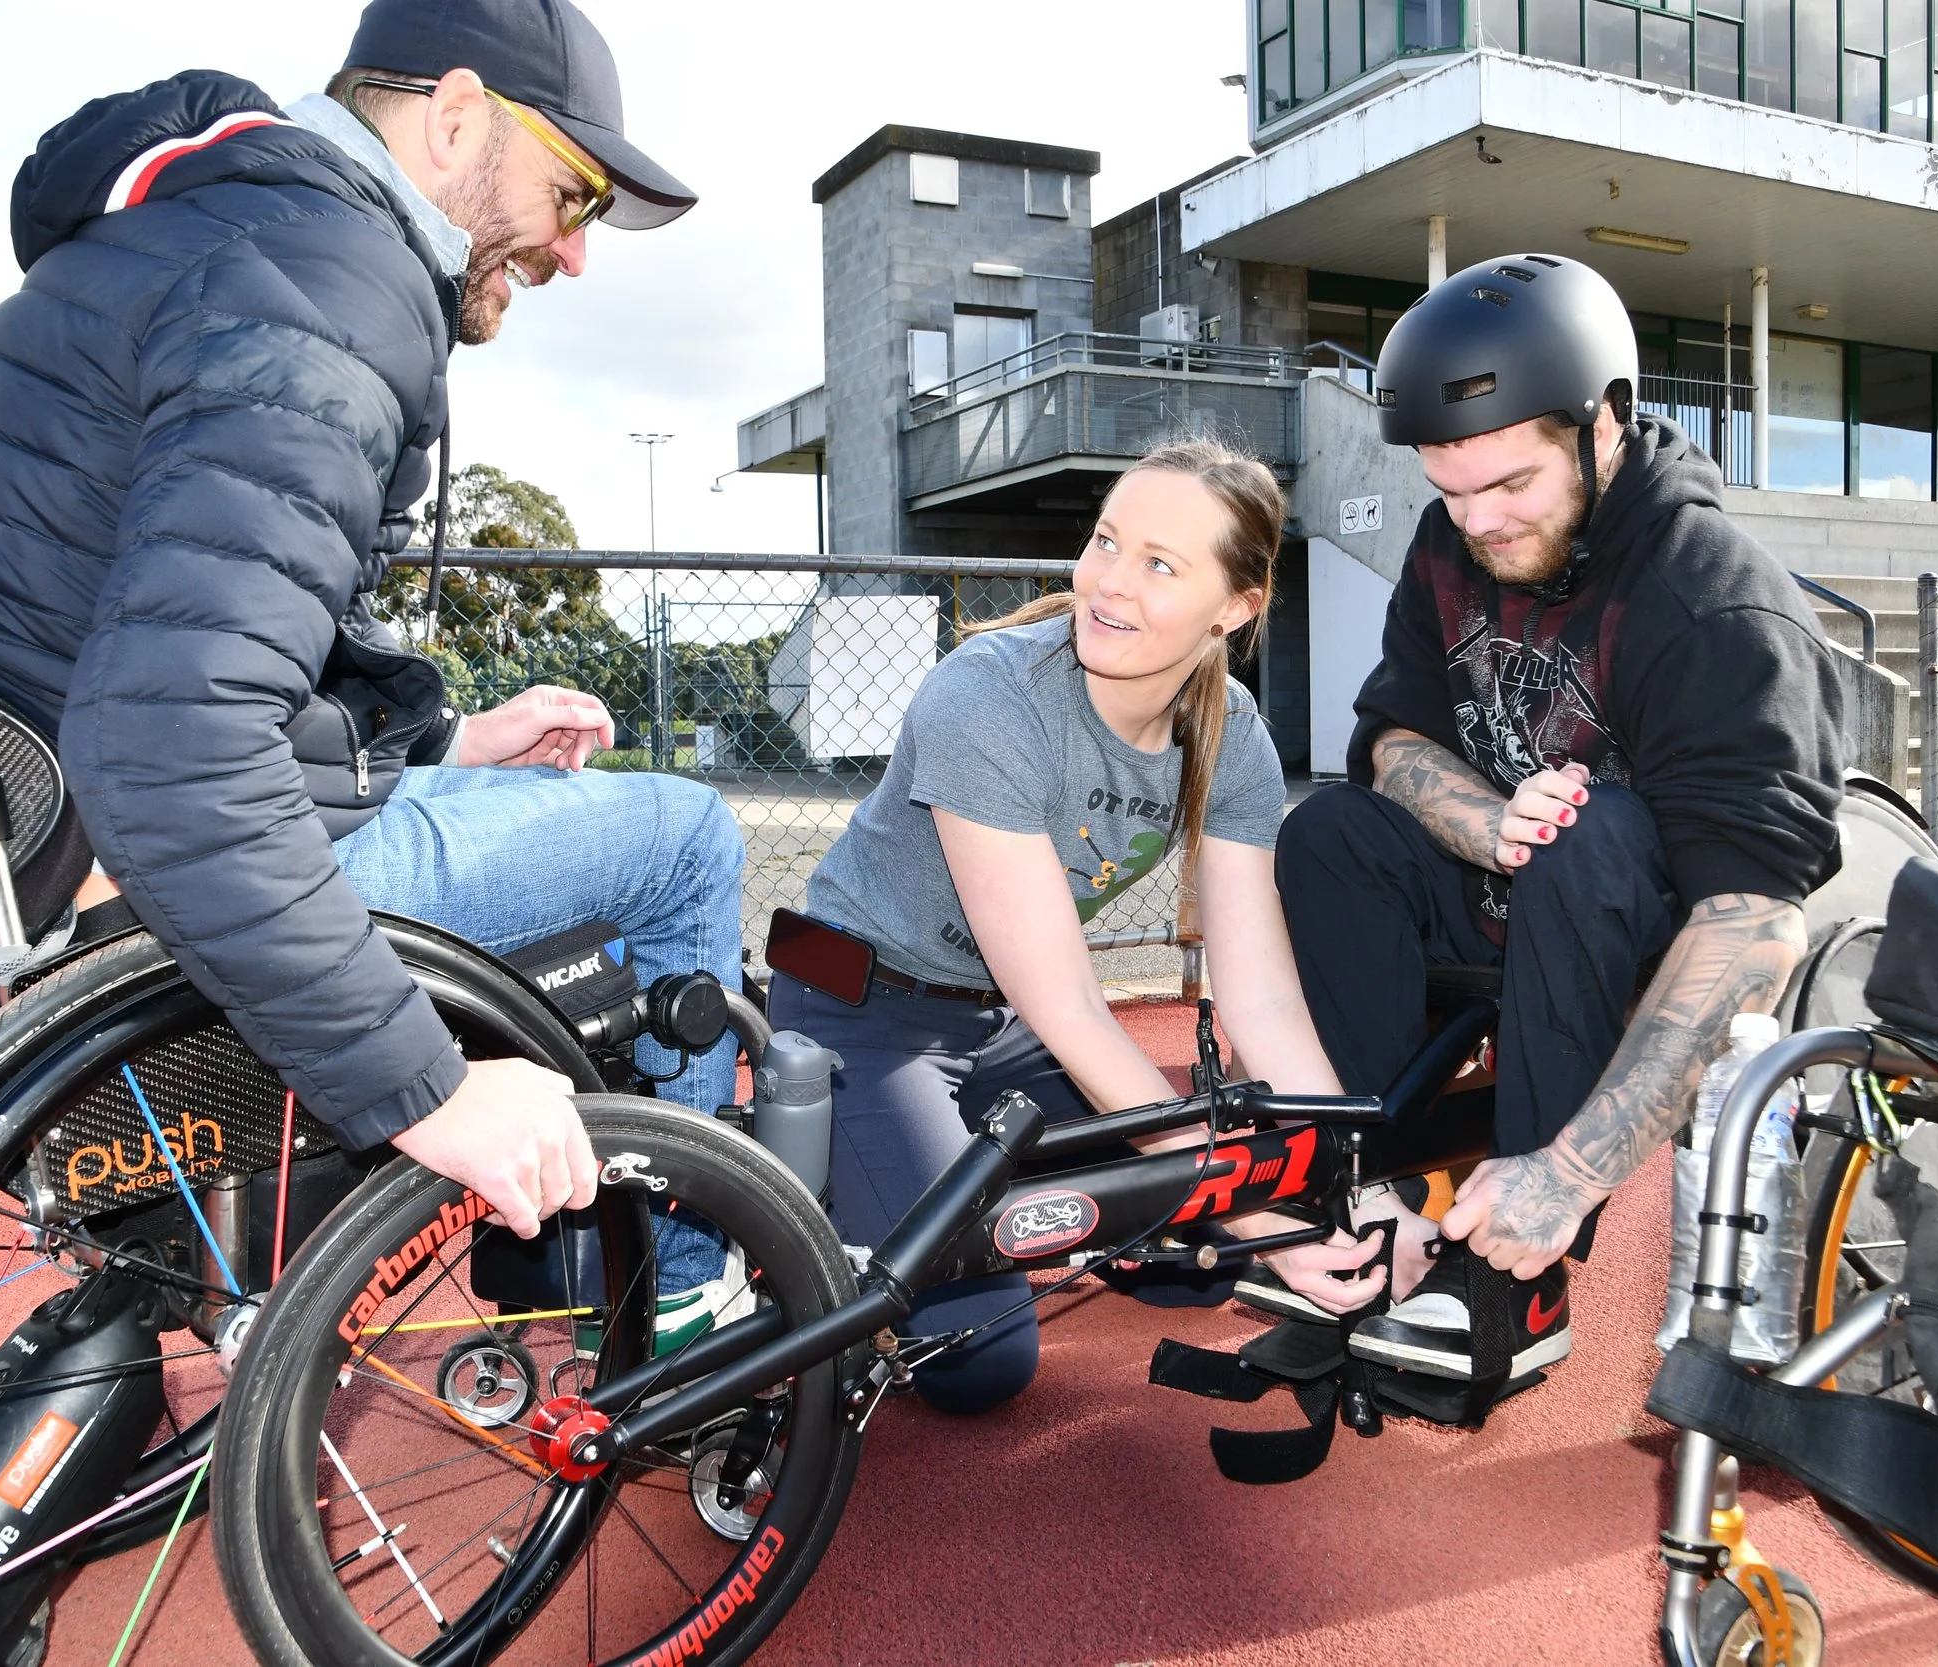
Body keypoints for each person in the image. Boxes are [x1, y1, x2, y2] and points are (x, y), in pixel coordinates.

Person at [0, 0, 742, 1248]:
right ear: (454, 117)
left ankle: (565, 1258)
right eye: (576, 194)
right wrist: (429, 1090)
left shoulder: (202, 226)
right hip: (119, 872)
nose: (577, 252)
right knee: (684, 838)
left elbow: (159, 632)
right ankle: (690, 1302)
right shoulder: (333, 282)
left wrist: (444, 747)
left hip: (14, 832)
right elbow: (174, 752)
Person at [1263, 253, 1847, 1390]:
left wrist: (1568, 1171)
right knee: (1328, 832)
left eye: (1511, 485)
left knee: (1593, 833)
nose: (1478, 520)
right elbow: (1393, 741)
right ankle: (1379, 1202)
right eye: (1451, 490)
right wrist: (1484, 823)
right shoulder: (1453, 544)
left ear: (1604, 423)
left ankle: (1515, 1278)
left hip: (1641, 939)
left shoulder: (1709, 601)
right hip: (1506, 905)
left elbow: (1756, 922)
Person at [767, 438, 1436, 1415]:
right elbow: (1076, 1008)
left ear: (1235, 605)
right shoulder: (989, 694)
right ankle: (826, 1189)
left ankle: (983, 1199)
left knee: (1201, 1262)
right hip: (865, 1011)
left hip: (1003, 1027)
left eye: (1159, 563)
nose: (1109, 583)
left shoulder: (1230, 732)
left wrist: (1357, 1191)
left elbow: (1261, 997)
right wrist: (1255, 1210)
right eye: (1106, 541)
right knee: (977, 1363)